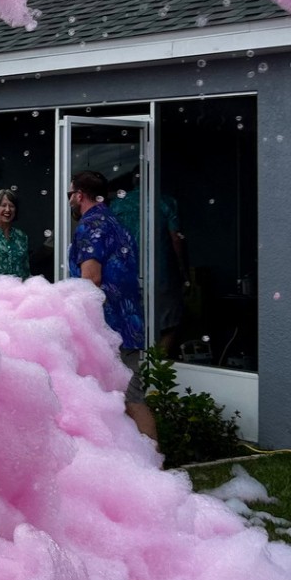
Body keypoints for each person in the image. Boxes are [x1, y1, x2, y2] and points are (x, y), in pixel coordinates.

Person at [68, 169, 160, 444]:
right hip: (129, 324)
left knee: (119, 400)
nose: (69, 199)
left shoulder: (90, 225)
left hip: (106, 329)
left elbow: (91, 280)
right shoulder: (117, 224)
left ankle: (151, 465)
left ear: (80, 195)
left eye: (70, 194)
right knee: (129, 399)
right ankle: (146, 461)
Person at [110, 173, 187, 357]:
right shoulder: (166, 202)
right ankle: (155, 366)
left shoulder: (118, 204)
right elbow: (176, 239)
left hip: (126, 274)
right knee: (169, 323)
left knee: (131, 322)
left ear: (133, 181)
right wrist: (184, 272)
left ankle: (134, 366)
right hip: (161, 273)